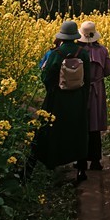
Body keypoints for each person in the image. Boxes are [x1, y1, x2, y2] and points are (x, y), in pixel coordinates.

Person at [31, 20, 91, 182]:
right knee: (78, 131)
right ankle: (81, 170)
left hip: (57, 98)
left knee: (47, 129)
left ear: (62, 36)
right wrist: (83, 95)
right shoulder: (83, 53)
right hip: (78, 98)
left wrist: (52, 89)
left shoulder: (56, 53)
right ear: (74, 36)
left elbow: (46, 76)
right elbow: (88, 77)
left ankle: (40, 165)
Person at [76, 20, 110, 172]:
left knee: (82, 125)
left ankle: (81, 162)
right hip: (97, 90)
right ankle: (96, 162)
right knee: (95, 125)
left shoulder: (77, 51)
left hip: (82, 90)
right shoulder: (103, 50)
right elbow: (108, 72)